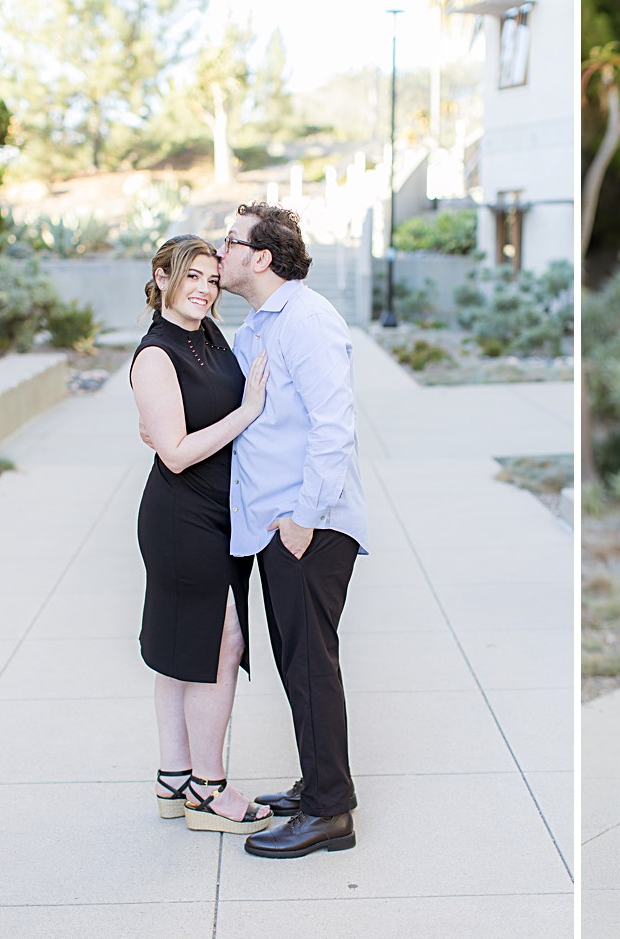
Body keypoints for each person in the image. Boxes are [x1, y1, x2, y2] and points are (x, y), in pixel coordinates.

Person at [214, 203, 370, 859]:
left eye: (230, 240)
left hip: (308, 523)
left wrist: (304, 517)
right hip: (279, 524)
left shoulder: (306, 320)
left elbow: (335, 425)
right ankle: (318, 785)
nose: (220, 251)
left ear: (262, 257)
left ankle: (331, 813)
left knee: (309, 666)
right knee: (297, 664)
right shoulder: (262, 323)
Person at [130, 234, 274, 836]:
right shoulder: (156, 354)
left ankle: (173, 779)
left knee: (180, 652)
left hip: (212, 511)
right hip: (181, 517)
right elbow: (178, 452)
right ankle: (208, 791)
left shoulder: (207, 334)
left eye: (213, 280)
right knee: (221, 643)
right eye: (192, 277)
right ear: (163, 277)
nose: (204, 290)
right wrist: (247, 413)